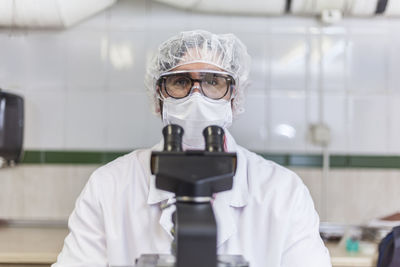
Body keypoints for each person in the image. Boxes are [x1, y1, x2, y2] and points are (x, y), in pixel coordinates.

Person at [52, 30, 331, 267]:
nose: (196, 95)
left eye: (212, 82)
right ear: (159, 98)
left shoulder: (283, 192)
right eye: (181, 82)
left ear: (234, 97)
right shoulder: (108, 186)